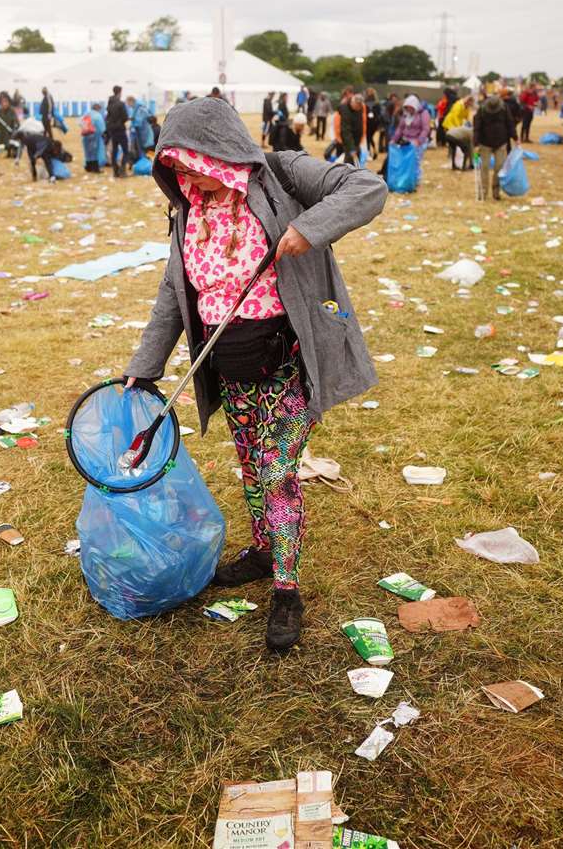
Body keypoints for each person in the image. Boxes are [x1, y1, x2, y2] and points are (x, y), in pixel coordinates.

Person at [123, 97, 386, 652]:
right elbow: (175, 294)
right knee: (249, 464)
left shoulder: (281, 175)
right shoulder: (189, 211)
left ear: (214, 147)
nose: (182, 172)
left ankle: (287, 590)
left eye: (188, 159)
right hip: (230, 364)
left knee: (277, 472)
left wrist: (309, 228)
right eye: (172, 163)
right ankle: (266, 552)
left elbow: (367, 188)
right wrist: (144, 368)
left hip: (285, 360)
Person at [472, 90, 516, 200]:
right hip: (484, 143)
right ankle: (483, 193)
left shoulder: (504, 108)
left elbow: (510, 123)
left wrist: (515, 137)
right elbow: (477, 127)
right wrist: (476, 143)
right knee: (484, 168)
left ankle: (496, 192)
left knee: (499, 167)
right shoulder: (481, 110)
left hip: (501, 142)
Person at [105, 85, 130, 176]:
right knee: (125, 150)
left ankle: (115, 171)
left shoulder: (109, 103)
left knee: (114, 150)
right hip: (120, 129)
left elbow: (108, 116)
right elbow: (125, 117)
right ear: (120, 92)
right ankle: (122, 170)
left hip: (112, 130)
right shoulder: (121, 103)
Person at [81, 102, 106, 173]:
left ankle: (88, 167)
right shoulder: (98, 115)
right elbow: (102, 128)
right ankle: (95, 168)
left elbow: (80, 123)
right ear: (98, 109)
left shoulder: (86, 113)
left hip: (85, 135)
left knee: (88, 152)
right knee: (95, 152)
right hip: (94, 135)